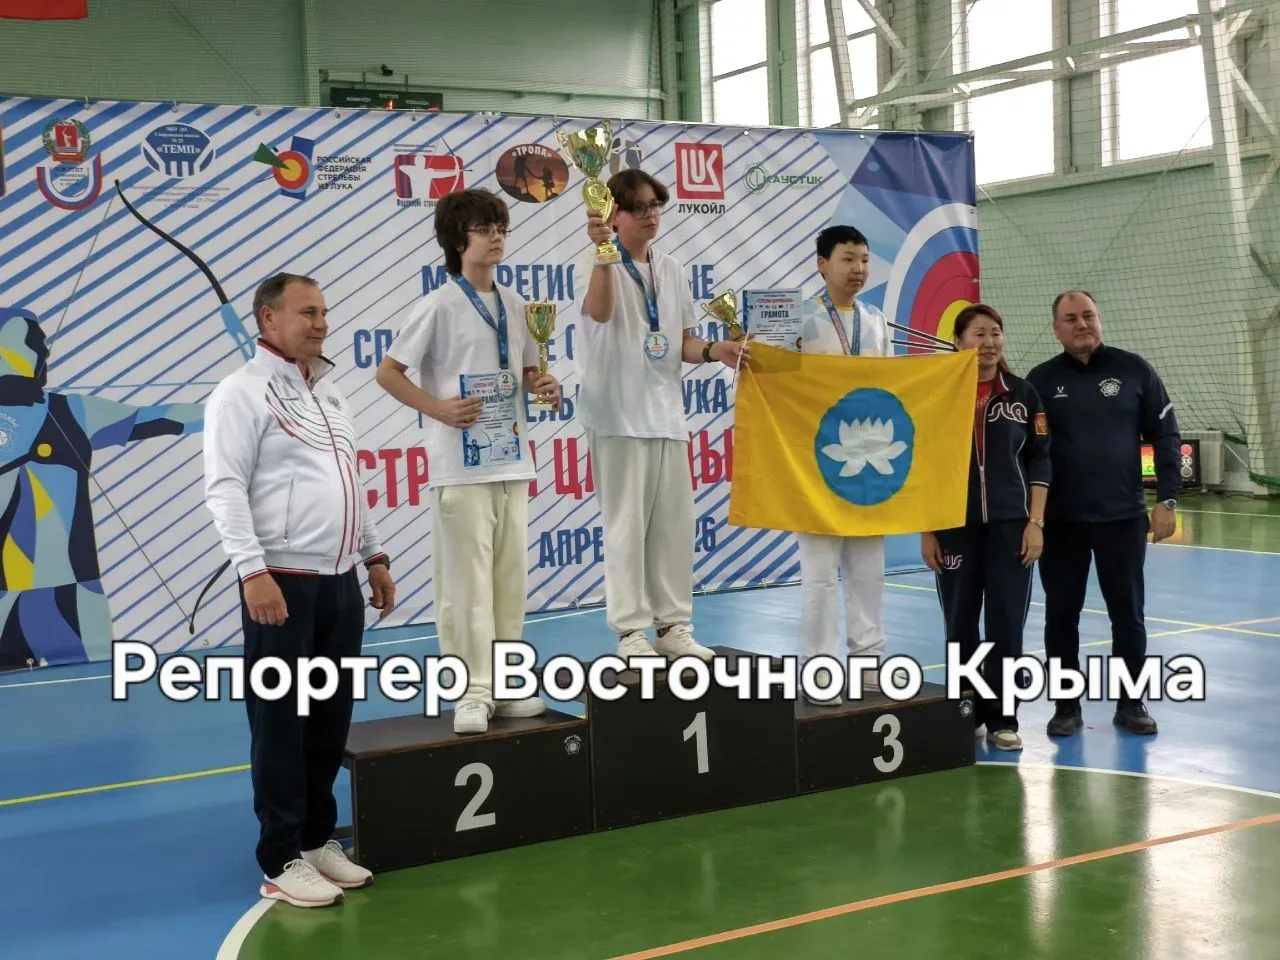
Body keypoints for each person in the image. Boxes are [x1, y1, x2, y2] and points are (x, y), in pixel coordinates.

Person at [203, 272, 397, 908]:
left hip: (340, 581)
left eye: (323, 313)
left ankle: (316, 840)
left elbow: (350, 483)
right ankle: (281, 857)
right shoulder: (240, 393)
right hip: (281, 582)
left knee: (329, 718)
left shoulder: (330, 391)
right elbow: (225, 488)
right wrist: (252, 570)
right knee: (281, 722)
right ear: (268, 318)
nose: (321, 323)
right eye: (307, 313)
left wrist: (373, 556)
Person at [376, 188, 561, 735]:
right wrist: (438, 408)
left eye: (501, 228)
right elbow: (388, 373)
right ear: (458, 239)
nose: (497, 237)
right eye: (485, 229)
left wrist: (544, 384)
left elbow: (527, 372)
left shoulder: (517, 304)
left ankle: (505, 682)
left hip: (512, 461)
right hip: (459, 466)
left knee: (509, 582)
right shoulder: (438, 305)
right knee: (465, 586)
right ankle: (470, 691)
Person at [575, 169, 746, 661]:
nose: (651, 215)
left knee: (673, 528)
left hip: (666, 414)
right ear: (614, 215)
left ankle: (673, 626)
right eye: (639, 208)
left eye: (655, 206)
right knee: (626, 527)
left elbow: (681, 342)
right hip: (616, 414)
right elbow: (601, 313)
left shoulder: (671, 268)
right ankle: (630, 632)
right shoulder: (594, 261)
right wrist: (604, 252)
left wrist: (715, 351)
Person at [1026, 289, 1180, 737]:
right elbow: (1029, 453)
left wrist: (1167, 499)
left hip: (1123, 519)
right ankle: (1065, 707)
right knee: (1061, 616)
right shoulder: (1040, 380)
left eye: (1088, 315)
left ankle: (1131, 703)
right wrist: (1031, 517)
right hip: (1062, 523)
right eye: (1071, 318)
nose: (1082, 324)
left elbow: (1166, 435)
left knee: (1128, 615)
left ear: (1099, 319)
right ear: (1056, 329)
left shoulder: (1134, 371)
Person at [920, 304, 1050, 750]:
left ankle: (1003, 718)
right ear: (958, 342)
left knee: (1006, 624)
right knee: (959, 623)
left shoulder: (1023, 395)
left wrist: (1035, 523)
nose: (989, 342)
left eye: (995, 333)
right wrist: (927, 530)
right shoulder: (939, 394)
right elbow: (926, 464)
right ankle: (966, 710)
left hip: (1011, 528)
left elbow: (1040, 460)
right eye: (978, 334)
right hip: (954, 527)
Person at [795, 225, 894, 702]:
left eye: (865, 260)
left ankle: (868, 661)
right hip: (815, 464)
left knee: (868, 570)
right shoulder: (798, 318)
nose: (858, 269)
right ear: (822, 264)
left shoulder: (876, 320)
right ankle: (819, 669)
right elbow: (772, 385)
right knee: (819, 575)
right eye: (848, 259)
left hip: (869, 462)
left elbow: (892, 389)